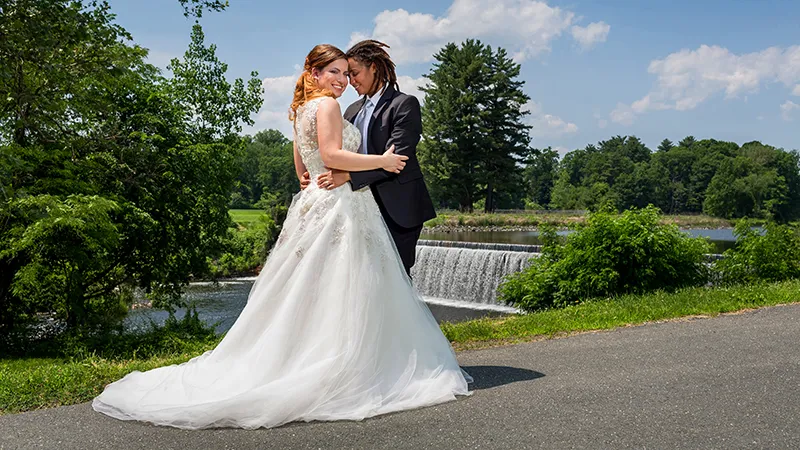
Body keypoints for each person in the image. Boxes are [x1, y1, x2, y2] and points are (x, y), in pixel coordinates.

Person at [92, 44, 471, 430]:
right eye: (337, 72)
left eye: (349, 73)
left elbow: (312, 161)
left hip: (363, 203)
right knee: (348, 285)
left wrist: (322, 176)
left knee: (348, 285)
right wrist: (369, 164)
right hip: (342, 205)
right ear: (315, 73)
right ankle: (354, 365)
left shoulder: (347, 107)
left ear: (373, 69)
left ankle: (364, 358)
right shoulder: (337, 107)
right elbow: (332, 154)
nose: (345, 80)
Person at [311, 40, 436, 276]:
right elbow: (337, 151)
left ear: (374, 67)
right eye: (347, 75)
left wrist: (348, 176)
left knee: (395, 277)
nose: (350, 81)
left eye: (354, 73)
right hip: (357, 206)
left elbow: (396, 160)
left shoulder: (404, 104)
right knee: (361, 277)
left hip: (398, 207)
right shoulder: (351, 110)